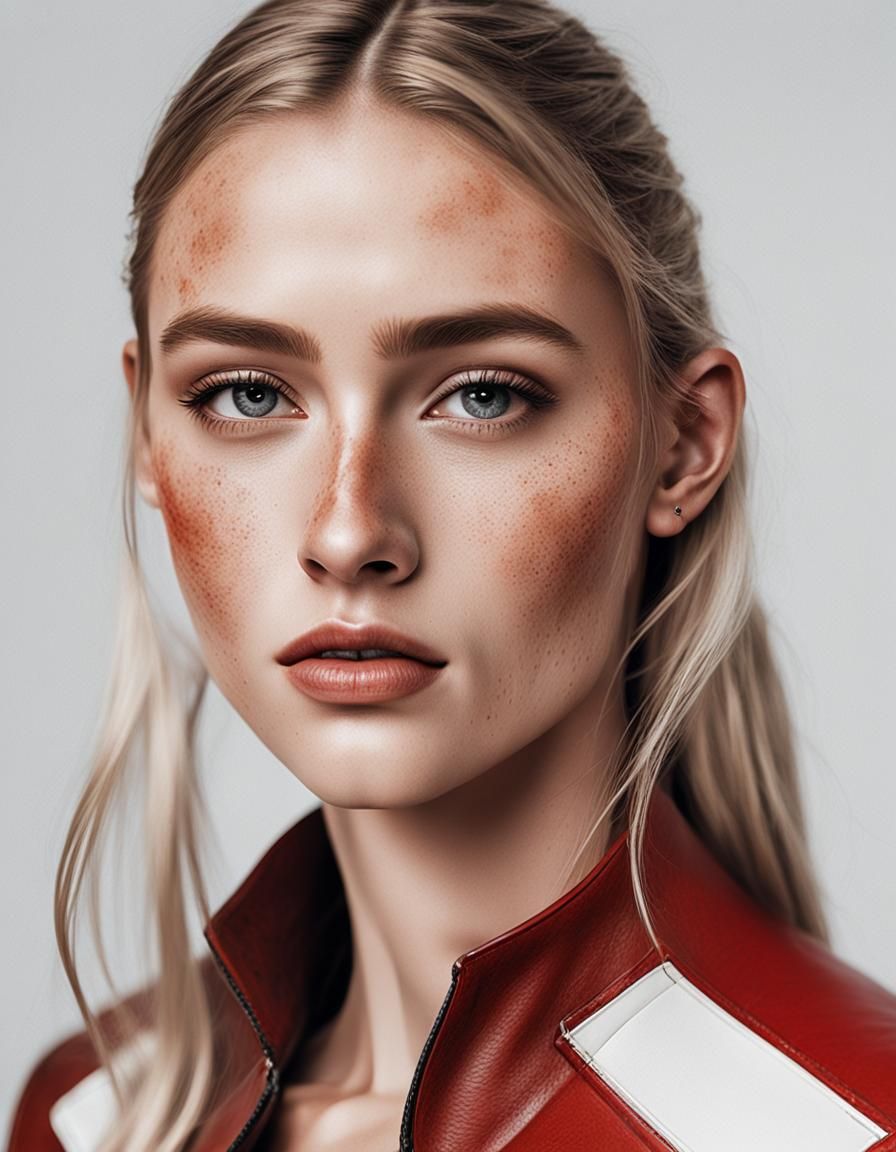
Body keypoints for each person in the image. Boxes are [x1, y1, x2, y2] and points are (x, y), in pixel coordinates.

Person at [7, 1, 896, 1150]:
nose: (346, 532)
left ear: (681, 444)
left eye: (481, 394)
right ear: (145, 434)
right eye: (247, 394)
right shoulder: (91, 1119)